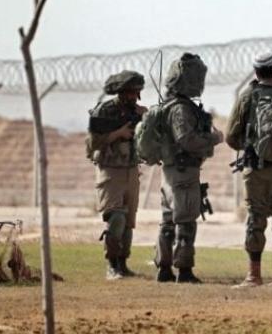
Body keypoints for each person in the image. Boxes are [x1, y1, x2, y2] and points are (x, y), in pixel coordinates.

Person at [226, 53, 272, 287]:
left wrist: (252, 146)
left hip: (256, 168)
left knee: (256, 219)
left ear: (256, 72)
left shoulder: (248, 96)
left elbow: (231, 136)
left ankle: (254, 275)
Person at [154, 53, 224, 283]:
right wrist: (214, 139)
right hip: (182, 172)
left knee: (168, 221)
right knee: (184, 222)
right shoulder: (180, 109)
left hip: (172, 171)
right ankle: (183, 271)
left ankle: (164, 268)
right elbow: (186, 140)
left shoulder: (171, 106)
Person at [86, 70, 147, 280]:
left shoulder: (138, 112)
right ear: (121, 92)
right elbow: (92, 143)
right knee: (117, 218)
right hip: (110, 170)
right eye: (131, 92)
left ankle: (123, 264)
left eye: (137, 92)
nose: (134, 96)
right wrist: (118, 134)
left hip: (131, 170)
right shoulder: (104, 111)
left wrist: (146, 120)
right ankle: (112, 266)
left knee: (128, 221)